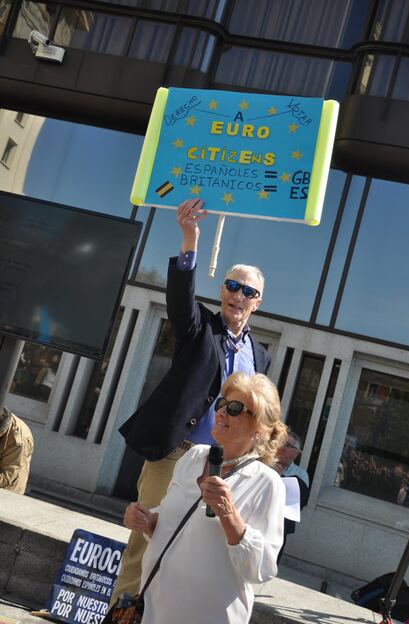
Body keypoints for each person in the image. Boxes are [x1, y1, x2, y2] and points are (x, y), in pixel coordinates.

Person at [112, 198, 270, 604]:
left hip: (221, 470)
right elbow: (181, 300)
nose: (238, 295)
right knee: (142, 545)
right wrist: (190, 240)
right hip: (174, 456)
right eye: (232, 286)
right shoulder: (201, 328)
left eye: (247, 290)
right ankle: (123, 615)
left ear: (257, 302)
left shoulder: (261, 356)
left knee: (193, 555)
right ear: (222, 291)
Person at [122, 372, 287, 624]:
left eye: (235, 409)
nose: (222, 412)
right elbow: (172, 526)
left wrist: (228, 513)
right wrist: (147, 520)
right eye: (222, 404)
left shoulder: (266, 483)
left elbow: (261, 568)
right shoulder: (193, 457)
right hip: (155, 610)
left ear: (260, 428)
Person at [274, 430, 309, 561]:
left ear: (296, 453)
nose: (282, 447)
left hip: (280, 527)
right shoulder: (264, 463)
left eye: (288, 445)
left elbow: (299, 502)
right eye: (281, 442)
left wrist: (279, 478)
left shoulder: (301, 475)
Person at [0, 406, 34, 494]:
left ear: (2, 432)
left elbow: (7, 477)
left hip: (7, 491)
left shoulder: (19, 442)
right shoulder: (2, 413)